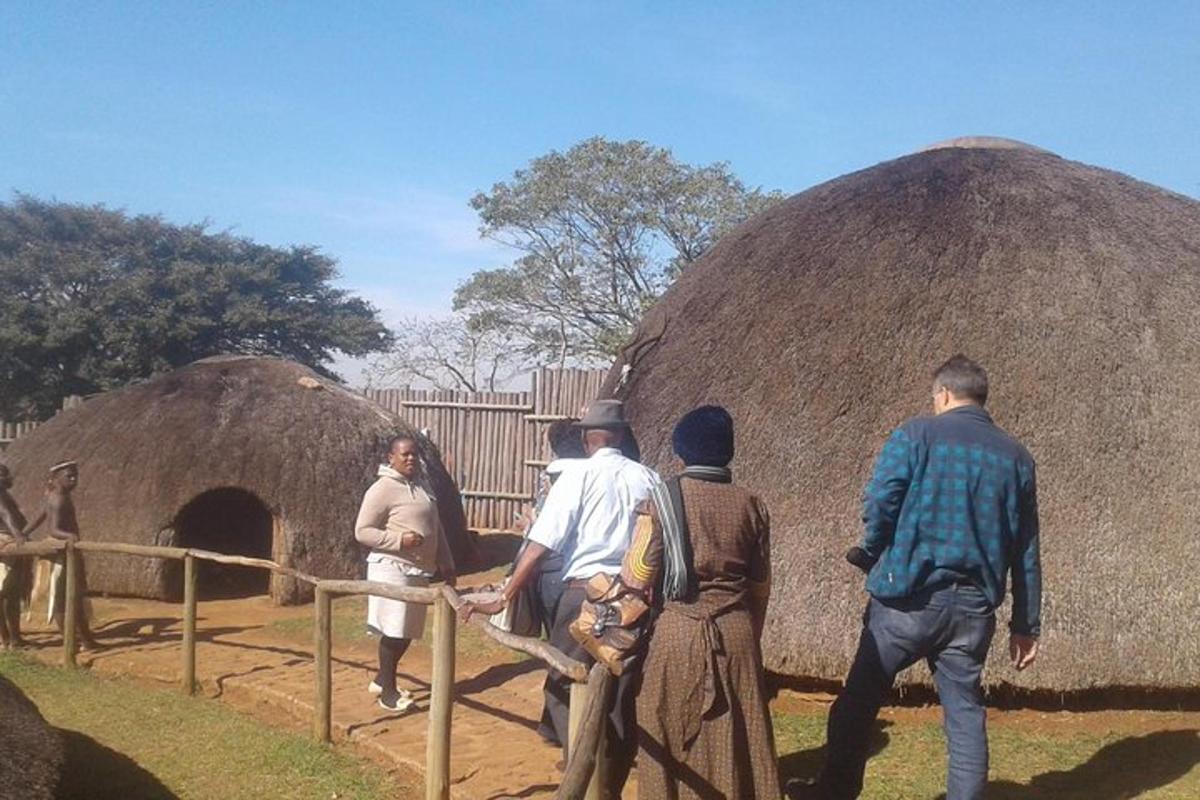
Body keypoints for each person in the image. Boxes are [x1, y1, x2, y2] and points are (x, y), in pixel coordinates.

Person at [794, 355, 1041, 800]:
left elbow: (881, 499)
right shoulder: (1017, 458)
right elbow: (1026, 548)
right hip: (973, 609)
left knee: (857, 704)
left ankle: (833, 793)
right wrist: (1026, 624)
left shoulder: (917, 434)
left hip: (906, 601)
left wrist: (872, 549)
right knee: (965, 717)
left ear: (943, 394)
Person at [464, 399, 658, 798]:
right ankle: (610, 788)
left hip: (581, 595)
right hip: (632, 602)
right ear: (621, 436)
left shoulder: (578, 477)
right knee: (620, 698)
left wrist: (505, 595)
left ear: (588, 439)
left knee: (564, 683)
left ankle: (580, 774)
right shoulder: (650, 479)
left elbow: (541, 542)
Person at [626, 405, 781, 800]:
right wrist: (749, 635)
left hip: (678, 632)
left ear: (682, 452)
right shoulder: (752, 504)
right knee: (737, 735)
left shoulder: (661, 501)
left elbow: (637, 574)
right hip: (738, 634)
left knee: (667, 729)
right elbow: (760, 586)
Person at [355, 435, 457, 712]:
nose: (410, 458)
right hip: (391, 567)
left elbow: (436, 528)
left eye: (413, 454)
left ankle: (380, 678)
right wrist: (399, 541)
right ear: (391, 458)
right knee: (395, 629)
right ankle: (388, 693)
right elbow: (362, 531)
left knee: (408, 630)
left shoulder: (422, 486)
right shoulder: (382, 489)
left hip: (418, 568)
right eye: (404, 455)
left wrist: (446, 562)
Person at [530, 418, 587, 746]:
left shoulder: (551, 478)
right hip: (573, 575)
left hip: (550, 574)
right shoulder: (589, 475)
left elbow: (541, 530)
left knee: (558, 649)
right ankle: (567, 735)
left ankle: (552, 725)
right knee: (570, 656)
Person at [24, 462, 99, 649]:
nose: (74, 479)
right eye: (69, 476)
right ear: (57, 478)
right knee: (63, 599)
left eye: (75, 476)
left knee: (70, 597)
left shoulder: (54, 496)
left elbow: (40, 516)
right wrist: (71, 536)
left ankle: (84, 640)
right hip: (61, 554)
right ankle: (72, 642)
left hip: (62, 551)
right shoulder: (59, 499)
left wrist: (23, 533)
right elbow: (54, 529)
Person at [0, 463, 32, 649]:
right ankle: (13, 639)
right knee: (9, 595)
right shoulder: (2, 496)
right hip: (6, 542)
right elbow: (7, 516)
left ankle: (7, 639)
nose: (7, 477)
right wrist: (19, 536)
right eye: (2, 475)